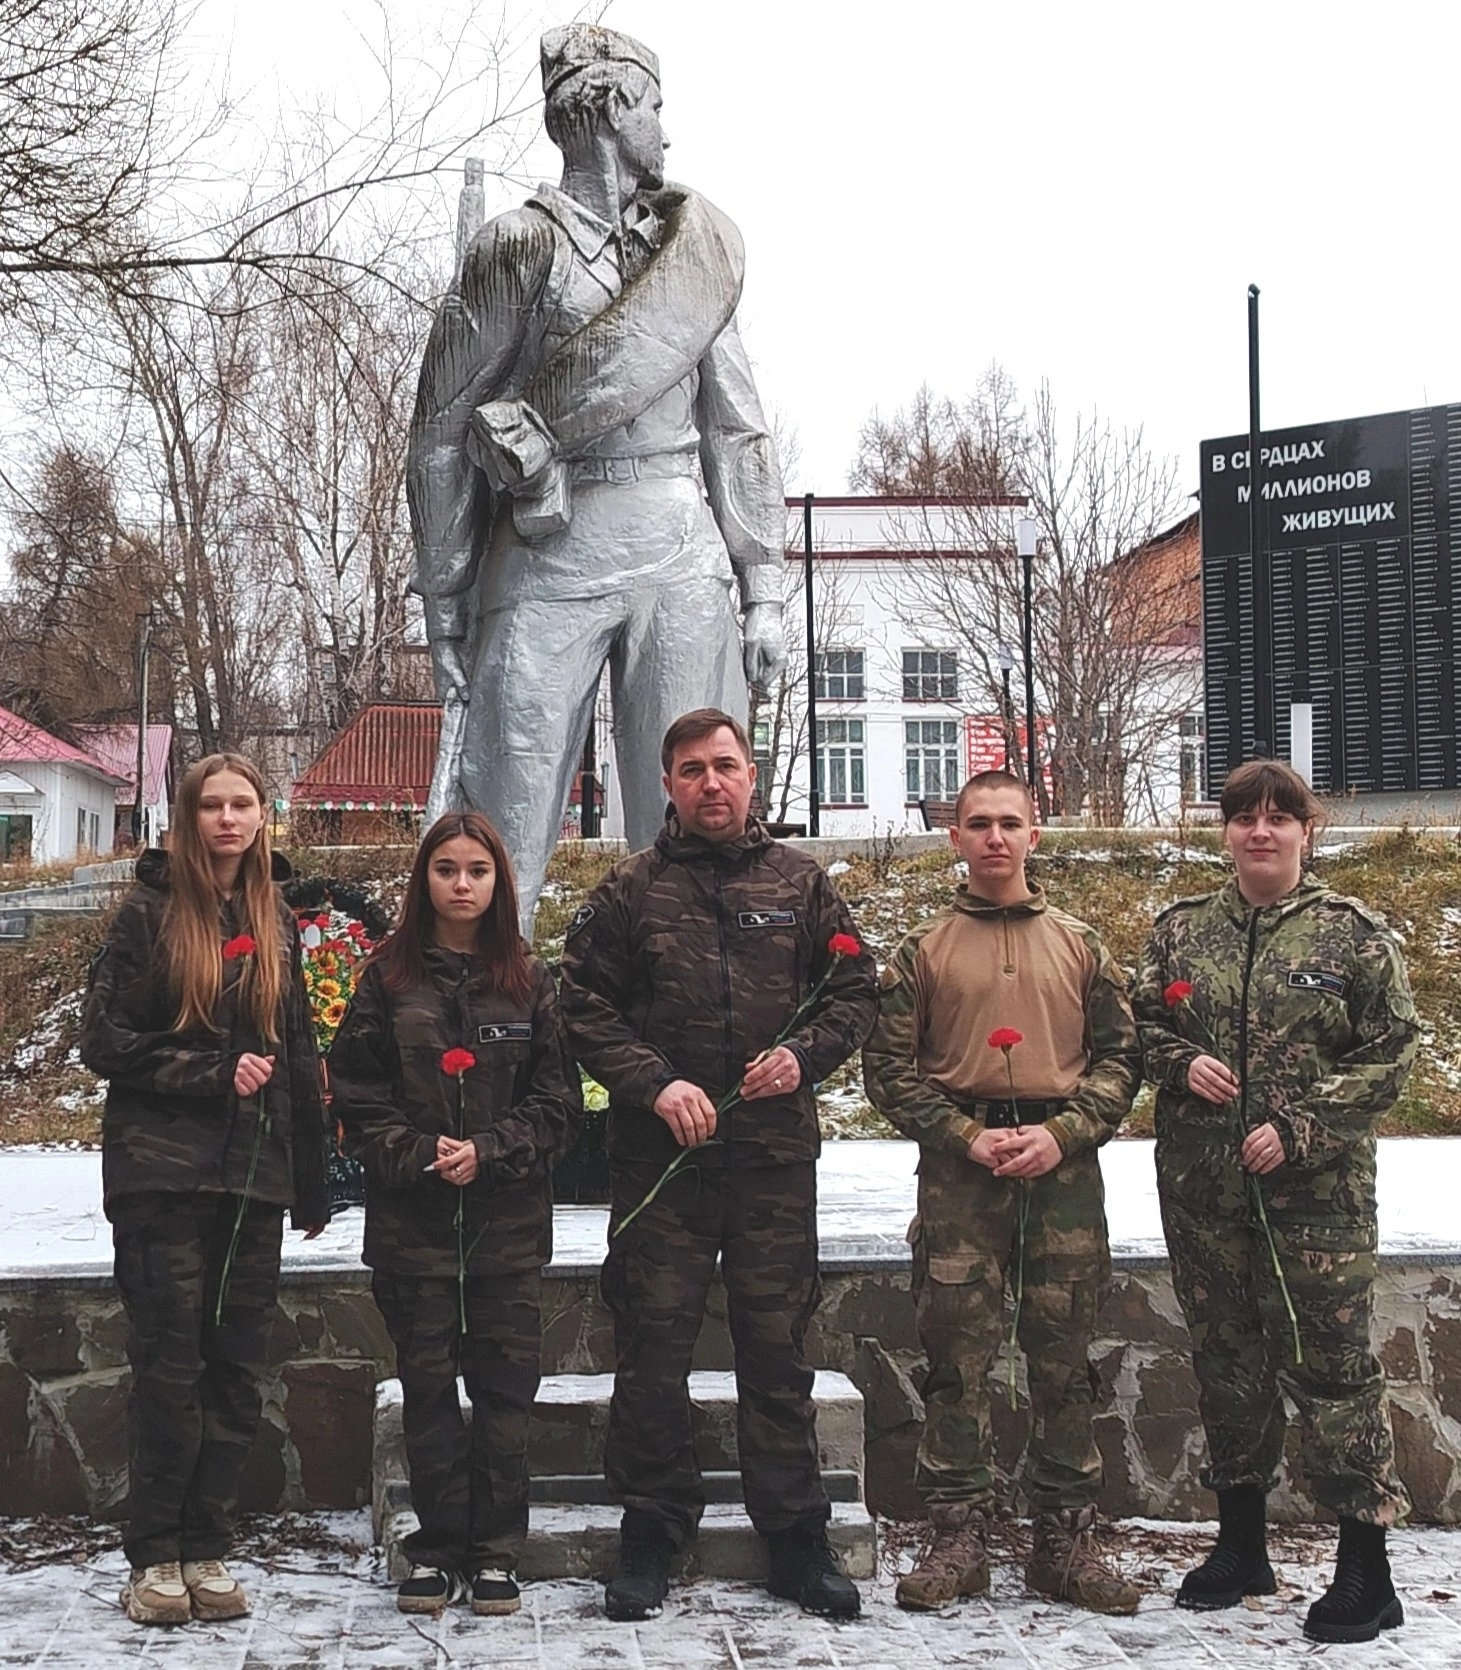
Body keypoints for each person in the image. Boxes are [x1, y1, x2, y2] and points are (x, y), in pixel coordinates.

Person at [407, 23, 787, 929]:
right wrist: (445, 596)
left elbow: (737, 428)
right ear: (614, 108)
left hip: (677, 548)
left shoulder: (686, 256)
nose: (664, 131)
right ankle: (480, 1035)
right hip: (546, 554)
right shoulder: (514, 248)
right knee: (500, 821)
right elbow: (441, 434)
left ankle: (692, 1026)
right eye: (654, 109)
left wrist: (761, 584)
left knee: (701, 826)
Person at [559, 708, 877, 1622]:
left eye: (726, 766)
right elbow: (581, 1007)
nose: (711, 783)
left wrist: (804, 1056)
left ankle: (794, 1538)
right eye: (692, 769)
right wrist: (654, 1085)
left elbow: (855, 988)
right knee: (651, 1348)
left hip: (771, 1163)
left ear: (752, 775)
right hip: (662, 1167)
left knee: (774, 1352)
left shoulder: (800, 885)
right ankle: (653, 1528)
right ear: (667, 784)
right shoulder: (630, 891)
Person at [1133, 759, 1417, 1644]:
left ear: (1306, 829)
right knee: (1227, 1363)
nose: (1260, 831)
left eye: (1278, 817)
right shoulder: (1181, 933)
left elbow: (1391, 1051)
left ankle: (1365, 1573)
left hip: (1315, 1201)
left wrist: (1300, 1126)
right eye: (1243, 817)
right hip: (1203, 1192)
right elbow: (1136, 1026)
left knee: (1332, 1371)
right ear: (1224, 830)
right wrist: (1180, 1063)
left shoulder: (1351, 936)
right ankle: (1241, 1546)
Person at [861, 770, 1142, 1616]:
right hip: (960, 1174)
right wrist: (963, 1135)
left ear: (1034, 833)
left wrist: (1061, 1133)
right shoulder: (923, 949)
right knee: (957, 1358)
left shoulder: (1081, 944)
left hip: (1061, 1170)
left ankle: (1066, 1536)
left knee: (1065, 1360)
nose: (992, 837)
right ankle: (957, 1534)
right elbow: (887, 1069)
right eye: (976, 823)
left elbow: (1123, 1060)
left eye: (1008, 823)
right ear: (953, 837)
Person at [80, 754, 330, 1627]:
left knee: (234, 1370)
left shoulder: (275, 918)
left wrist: (310, 1177)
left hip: (252, 1182)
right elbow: (105, 1042)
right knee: (169, 1368)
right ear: (186, 818)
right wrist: (211, 1072)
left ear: (265, 816)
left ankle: (207, 1545)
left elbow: (297, 1053)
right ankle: (154, 1555)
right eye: (211, 806)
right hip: (162, 1175)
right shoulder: (148, 913)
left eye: (243, 805)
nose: (228, 820)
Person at [328, 813, 581, 1618]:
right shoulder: (387, 980)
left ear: (497, 881)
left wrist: (494, 1148)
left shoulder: (528, 982)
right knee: (430, 1391)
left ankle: (498, 1550)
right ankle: (434, 1550)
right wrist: (416, 1150)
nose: (461, 884)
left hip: (504, 1232)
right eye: (446, 869)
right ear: (424, 880)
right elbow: (356, 1094)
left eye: (476, 869)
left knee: (505, 1396)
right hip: (415, 1229)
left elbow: (557, 1103)